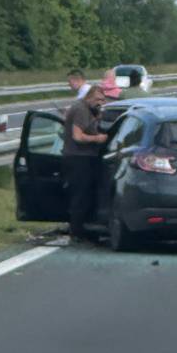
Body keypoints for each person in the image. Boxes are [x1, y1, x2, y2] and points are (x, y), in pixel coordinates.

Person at [62, 84, 107, 241]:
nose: (101, 103)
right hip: (78, 157)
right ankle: (77, 231)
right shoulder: (81, 109)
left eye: (103, 100)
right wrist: (98, 139)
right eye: (98, 100)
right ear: (89, 97)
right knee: (80, 194)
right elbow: (78, 136)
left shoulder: (89, 109)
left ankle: (80, 228)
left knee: (85, 194)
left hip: (84, 157)